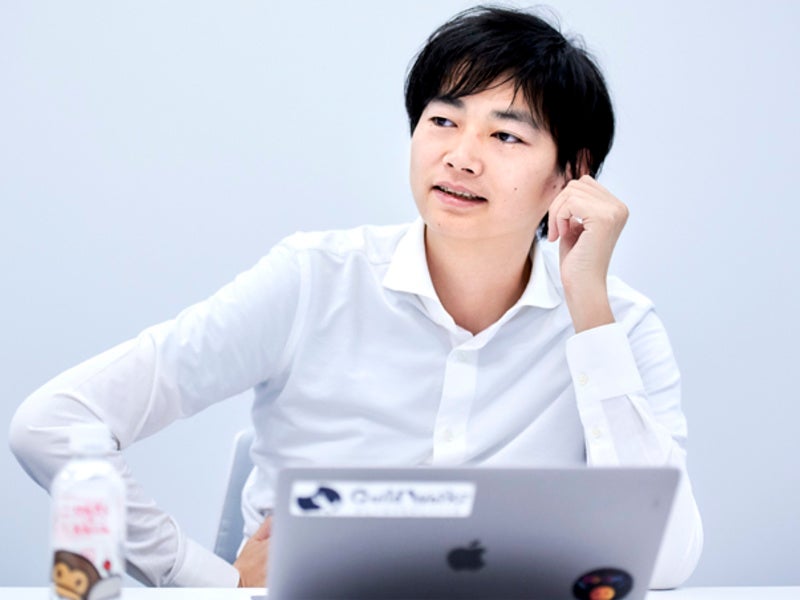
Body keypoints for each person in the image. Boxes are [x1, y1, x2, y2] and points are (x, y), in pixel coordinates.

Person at [9, 5, 703, 590]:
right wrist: (206, 582)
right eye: (442, 121)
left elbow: (666, 561)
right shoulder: (315, 280)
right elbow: (53, 421)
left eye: (504, 135)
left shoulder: (618, 323)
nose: (461, 156)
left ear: (571, 174)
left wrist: (589, 315)